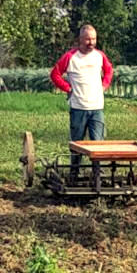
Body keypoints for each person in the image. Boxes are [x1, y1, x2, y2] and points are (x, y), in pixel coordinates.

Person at [50, 25, 113, 174]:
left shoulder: (99, 56)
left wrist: (104, 85)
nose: (91, 42)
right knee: (77, 144)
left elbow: (109, 70)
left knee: (97, 143)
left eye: (93, 39)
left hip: (97, 107)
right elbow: (55, 74)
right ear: (80, 39)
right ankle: (74, 173)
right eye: (88, 39)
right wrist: (68, 88)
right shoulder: (70, 57)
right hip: (78, 107)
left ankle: (98, 173)